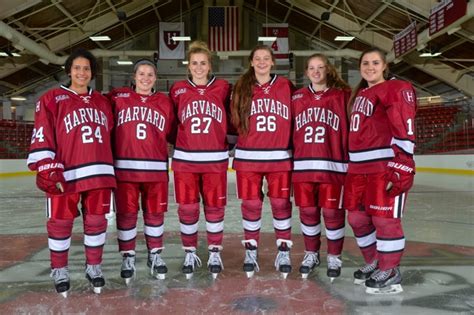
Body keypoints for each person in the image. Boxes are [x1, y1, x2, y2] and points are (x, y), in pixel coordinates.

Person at [27, 48, 116, 296]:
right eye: (77, 68)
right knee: (60, 223)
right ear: (69, 71)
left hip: (99, 172)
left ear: (92, 73)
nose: (81, 72)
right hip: (65, 174)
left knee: (97, 222)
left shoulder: (103, 101)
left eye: (86, 68)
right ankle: (59, 269)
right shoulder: (51, 99)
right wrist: (46, 164)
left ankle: (94, 266)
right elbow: (43, 134)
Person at [344, 47, 416, 294]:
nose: (370, 67)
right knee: (356, 218)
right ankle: (374, 260)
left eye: (375, 62)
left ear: (385, 66)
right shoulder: (361, 93)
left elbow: (404, 125)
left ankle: (391, 268)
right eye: (365, 62)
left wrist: (403, 161)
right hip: (357, 168)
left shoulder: (396, 88)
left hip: (382, 167)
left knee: (385, 221)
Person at [108, 59, 175, 284]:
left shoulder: (164, 102)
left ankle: (154, 254)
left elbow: (173, 132)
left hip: (155, 170)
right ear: (134, 76)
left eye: (150, 74)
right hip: (125, 170)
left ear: (155, 78)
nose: (146, 78)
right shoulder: (117, 98)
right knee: (126, 214)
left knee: (154, 214)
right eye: (142, 74)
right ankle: (127, 255)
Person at [231, 45, 295, 279]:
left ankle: (284, 250)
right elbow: (232, 120)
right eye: (257, 58)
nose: (261, 62)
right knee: (251, 205)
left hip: (279, 157)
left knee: (280, 204)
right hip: (248, 157)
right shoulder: (241, 86)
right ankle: (251, 251)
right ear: (251, 62)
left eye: (266, 58)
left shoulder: (286, 86)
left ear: (272, 62)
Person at [169, 41, 232, 279]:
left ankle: (214, 251)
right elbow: (171, 123)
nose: (198, 67)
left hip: (215, 158)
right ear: (188, 66)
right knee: (187, 208)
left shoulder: (224, 88)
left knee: (215, 208)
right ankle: (190, 252)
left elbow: (232, 119)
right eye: (194, 63)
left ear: (210, 65)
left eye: (203, 63)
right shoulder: (177, 89)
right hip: (185, 158)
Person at [291, 53, 350, 281]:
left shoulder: (342, 96)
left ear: (328, 70)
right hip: (303, 166)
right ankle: (311, 253)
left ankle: (334, 255)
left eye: (321, 67)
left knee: (333, 213)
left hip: (333, 165)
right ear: (306, 72)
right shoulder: (296, 97)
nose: (316, 72)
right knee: (308, 213)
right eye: (312, 68)